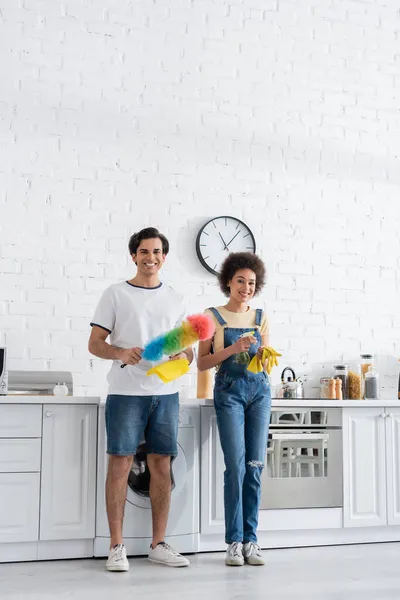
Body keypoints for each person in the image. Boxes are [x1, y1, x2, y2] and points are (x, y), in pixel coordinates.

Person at [89, 227, 193, 571]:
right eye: (144, 252)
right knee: (120, 465)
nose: (151, 258)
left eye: (157, 252)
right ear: (133, 255)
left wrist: (184, 359)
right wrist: (119, 351)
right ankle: (116, 546)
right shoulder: (115, 294)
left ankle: (158, 543)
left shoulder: (175, 298)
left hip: (165, 394)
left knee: (162, 466)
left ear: (164, 257)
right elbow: (95, 343)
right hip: (125, 392)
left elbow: (187, 348)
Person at [197, 252, 271, 567]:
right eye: (240, 280)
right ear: (228, 281)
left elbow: (265, 362)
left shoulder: (261, 317)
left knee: (254, 466)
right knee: (235, 467)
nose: (246, 287)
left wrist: (265, 354)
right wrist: (232, 348)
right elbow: (201, 362)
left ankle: (251, 541)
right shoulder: (211, 316)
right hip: (228, 393)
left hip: (260, 393)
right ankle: (233, 542)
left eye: (251, 282)